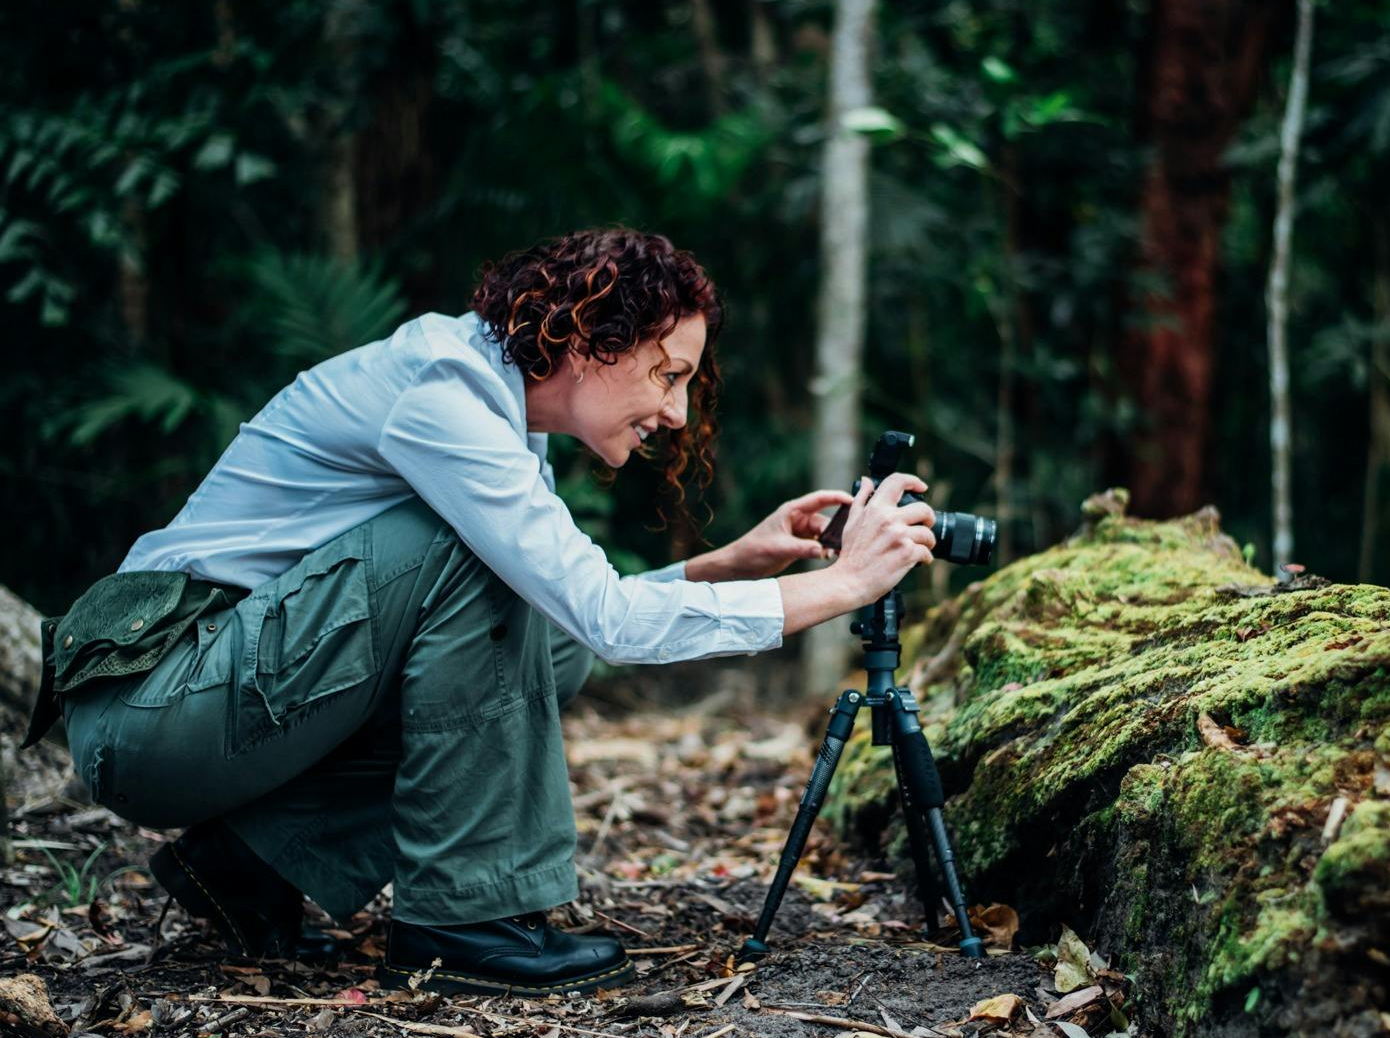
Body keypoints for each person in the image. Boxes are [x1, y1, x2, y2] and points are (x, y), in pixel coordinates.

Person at [24, 227, 937, 997]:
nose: (675, 409)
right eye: (666, 373)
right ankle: (462, 919)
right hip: (149, 704)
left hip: (209, 702)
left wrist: (722, 566)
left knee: (547, 647)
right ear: (589, 340)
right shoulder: (446, 395)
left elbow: (582, 618)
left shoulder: (501, 413)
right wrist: (845, 587)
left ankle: (255, 864)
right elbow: (601, 612)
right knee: (474, 566)